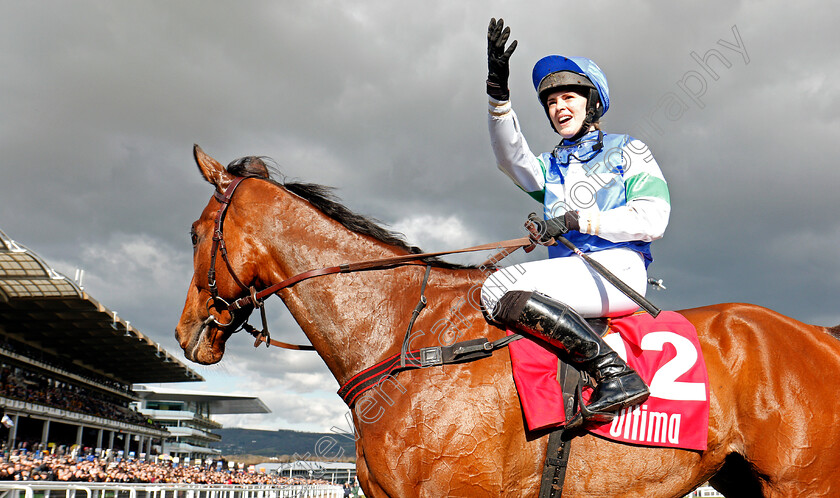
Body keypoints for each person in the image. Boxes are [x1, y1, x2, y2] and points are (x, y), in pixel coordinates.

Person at [481, 18, 671, 423]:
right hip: (573, 275)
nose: (558, 107)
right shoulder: (550, 167)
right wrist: (499, 98)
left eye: (568, 96)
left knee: (497, 287)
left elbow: (654, 217)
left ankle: (614, 372)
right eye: (551, 102)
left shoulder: (628, 149)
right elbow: (508, 157)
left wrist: (575, 220)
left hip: (618, 269)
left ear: (592, 103)